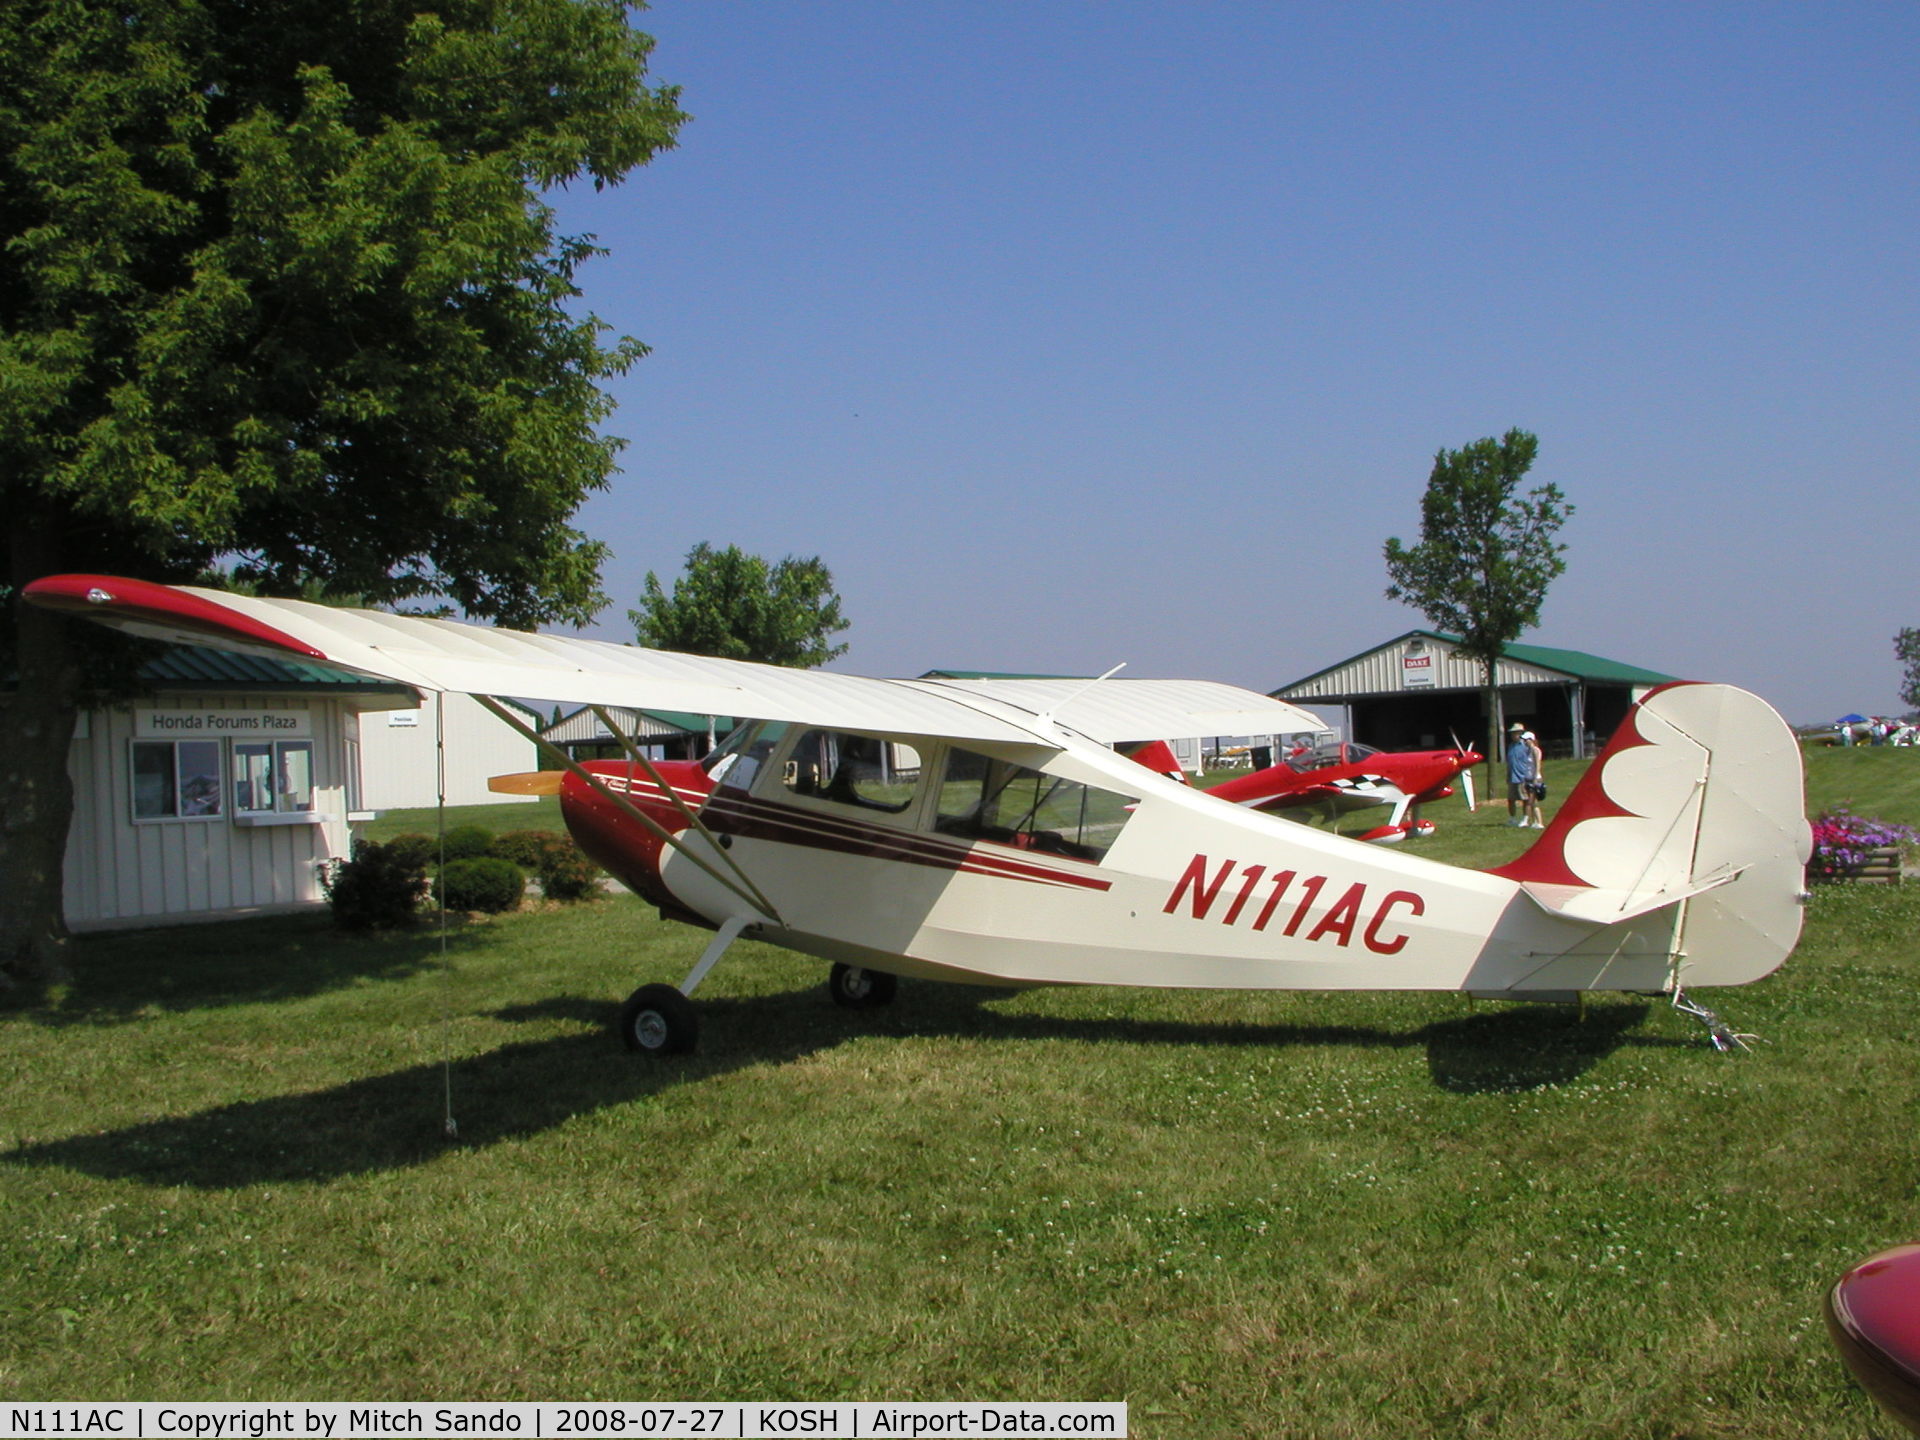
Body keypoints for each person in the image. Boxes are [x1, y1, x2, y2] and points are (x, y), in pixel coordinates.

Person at [1505, 722, 1536, 826]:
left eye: (1515, 733)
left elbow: (1534, 756)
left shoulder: (1525, 745)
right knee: (1511, 799)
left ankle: (1525, 819)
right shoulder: (1511, 746)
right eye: (1512, 733)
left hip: (1522, 776)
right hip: (1512, 777)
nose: (1513, 735)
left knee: (1525, 799)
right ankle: (1512, 818)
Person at [1521, 730, 1546, 828]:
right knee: (1532, 802)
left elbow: (1537, 764)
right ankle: (1535, 821)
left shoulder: (1535, 750)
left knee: (1532, 801)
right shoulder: (1528, 751)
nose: (1524, 742)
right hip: (1528, 778)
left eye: (1526, 740)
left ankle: (1539, 822)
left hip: (1534, 779)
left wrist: (1535, 778)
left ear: (1531, 740)